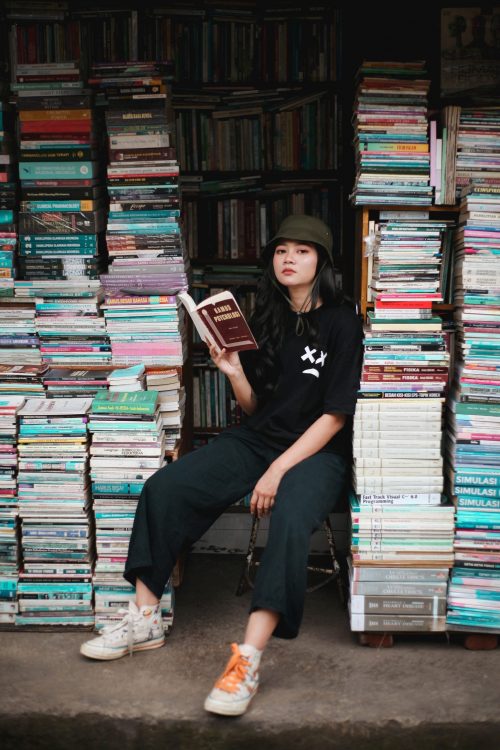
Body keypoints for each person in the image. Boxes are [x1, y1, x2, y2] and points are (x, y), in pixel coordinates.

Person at [80, 214, 363, 717]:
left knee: (292, 517)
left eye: (302, 250)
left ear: (321, 261)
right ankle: (144, 617)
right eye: (281, 250)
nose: (289, 259)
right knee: (167, 487)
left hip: (316, 452)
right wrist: (233, 371)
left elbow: (336, 416)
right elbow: (257, 408)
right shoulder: (266, 316)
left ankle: (248, 659)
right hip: (259, 439)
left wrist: (277, 472)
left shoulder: (343, 322)